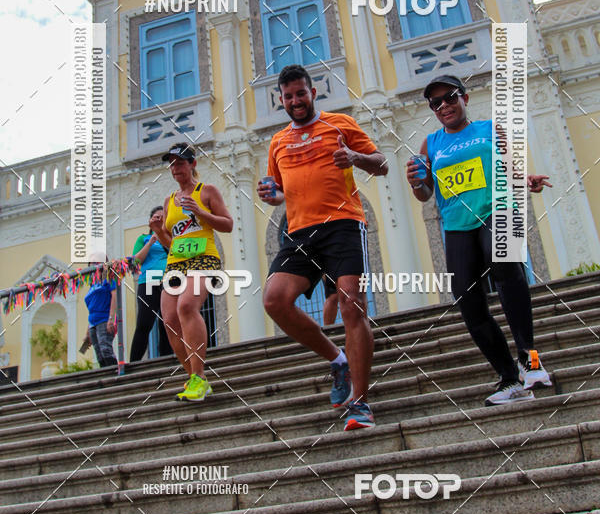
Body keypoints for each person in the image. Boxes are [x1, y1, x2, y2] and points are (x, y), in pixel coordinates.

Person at [406, 74, 553, 406]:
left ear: (465, 98)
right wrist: (416, 183)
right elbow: (426, 193)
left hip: (499, 209)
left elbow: (511, 168)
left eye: (450, 97)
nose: (444, 105)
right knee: (467, 299)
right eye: (436, 102)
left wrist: (526, 179)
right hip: (457, 224)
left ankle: (530, 362)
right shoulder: (430, 144)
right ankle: (508, 377)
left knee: (506, 267)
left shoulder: (490, 128)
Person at [258, 64, 388, 431]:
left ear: (313, 93)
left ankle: (360, 403)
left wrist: (355, 158)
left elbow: (382, 164)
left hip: (344, 224)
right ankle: (338, 360)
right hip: (300, 232)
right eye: (288, 96)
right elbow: (281, 190)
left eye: (301, 93)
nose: (296, 100)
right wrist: (271, 196)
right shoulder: (278, 141)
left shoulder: (340, 124)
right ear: (280, 99)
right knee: (274, 300)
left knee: (351, 306)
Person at [153, 142, 233, 403]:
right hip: (176, 262)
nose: (176, 168)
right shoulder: (169, 201)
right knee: (169, 318)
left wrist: (200, 212)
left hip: (204, 257)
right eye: (172, 164)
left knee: (187, 306)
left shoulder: (206, 191)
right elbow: (171, 242)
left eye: (180, 162)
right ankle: (195, 378)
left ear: (192, 164)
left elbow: (228, 225)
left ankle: (198, 376)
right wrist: (158, 230)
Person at [129, 207, 173, 362]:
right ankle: (134, 362)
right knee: (144, 323)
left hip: (169, 281)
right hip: (148, 281)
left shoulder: (170, 238)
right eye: (156, 217)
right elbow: (136, 261)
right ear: (150, 221)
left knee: (167, 321)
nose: (159, 220)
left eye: (162, 217)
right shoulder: (143, 238)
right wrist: (152, 241)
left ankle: (166, 359)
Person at [84, 258, 117, 368]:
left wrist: (111, 318)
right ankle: (106, 377)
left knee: (105, 348)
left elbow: (114, 296)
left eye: (96, 262)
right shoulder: (92, 285)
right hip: (93, 323)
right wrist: (87, 331)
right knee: (99, 353)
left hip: (104, 319)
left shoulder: (108, 279)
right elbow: (91, 309)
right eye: (91, 263)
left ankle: (114, 375)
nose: (94, 265)